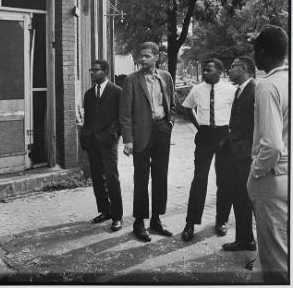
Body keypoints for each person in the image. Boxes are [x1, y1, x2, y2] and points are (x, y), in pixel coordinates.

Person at [120, 42, 176, 242]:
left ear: (156, 57)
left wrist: (169, 123)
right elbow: (125, 113)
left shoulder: (166, 77)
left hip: (161, 130)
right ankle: (139, 222)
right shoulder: (131, 80)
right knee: (141, 179)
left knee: (161, 177)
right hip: (141, 134)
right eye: (140, 56)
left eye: (147, 56)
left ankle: (156, 219)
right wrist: (128, 140)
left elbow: (172, 101)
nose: (142, 59)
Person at [247, 25, 288, 283]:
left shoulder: (267, 86)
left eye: (255, 50)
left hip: (272, 178)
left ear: (262, 52)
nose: (254, 57)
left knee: (277, 262)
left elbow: (271, 145)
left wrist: (256, 171)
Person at [182, 58, 236, 242]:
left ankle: (221, 221)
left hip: (224, 136)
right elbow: (188, 108)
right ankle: (190, 223)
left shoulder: (231, 90)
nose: (204, 73)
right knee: (199, 180)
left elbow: (238, 112)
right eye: (204, 70)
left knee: (225, 180)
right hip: (204, 136)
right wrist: (199, 127)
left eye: (208, 70)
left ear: (219, 72)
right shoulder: (197, 90)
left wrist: (232, 130)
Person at [80, 59, 123, 232]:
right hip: (92, 142)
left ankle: (117, 216)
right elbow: (88, 118)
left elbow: (123, 117)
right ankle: (105, 210)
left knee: (112, 178)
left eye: (95, 70)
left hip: (108, 141)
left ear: (105, 71)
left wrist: (115, 135)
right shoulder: (89, 94)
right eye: (91, 70)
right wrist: (86, 135)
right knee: (97, 178)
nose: (91, 73)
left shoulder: (117, 92)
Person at [221, 56, 256, 252]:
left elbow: (256, 126)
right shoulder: (240, 90)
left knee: (252, 202)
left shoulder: (255, 90)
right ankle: (245, 240)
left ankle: (267, 250)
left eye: (233, 67)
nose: (230, 70)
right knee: (239, 198)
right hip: (236, 155)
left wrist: (247, 151)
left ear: (244, 68)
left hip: (247, 157)